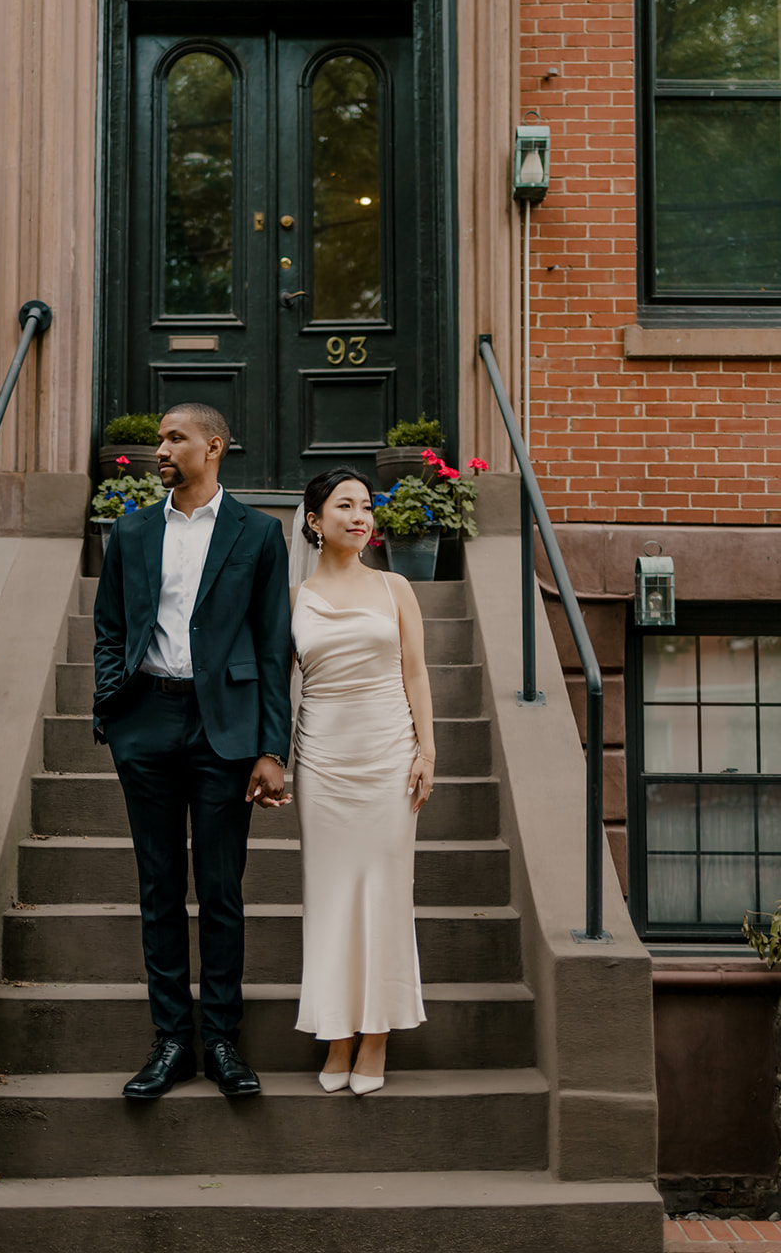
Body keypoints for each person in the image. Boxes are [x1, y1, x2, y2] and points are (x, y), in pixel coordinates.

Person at [92, 403, 292, 1100]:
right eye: (159, 440)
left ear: (214, 446)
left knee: (220, 890)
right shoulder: (133, 529)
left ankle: (222, 1041)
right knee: (157, 889)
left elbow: (272, 647)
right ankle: (171, 1039)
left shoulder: (259, 534)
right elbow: (110, 628)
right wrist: (113, 711)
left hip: (224, 730)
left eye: (175, 438)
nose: (161, 449)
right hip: (146, 721)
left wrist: (272, 747)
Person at [291, 466, 435, 1095]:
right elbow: (280, 683)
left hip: (387, 756)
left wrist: (427, 750)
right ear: (314, 521)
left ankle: (375, 1037)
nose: (359, 516)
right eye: (343, 506)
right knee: (329, 898)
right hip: (321, 759)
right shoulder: (292, 599)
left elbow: (418, 673)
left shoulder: (395, 586)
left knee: (384, 894)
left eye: (366, 506)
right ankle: (336, 1035)